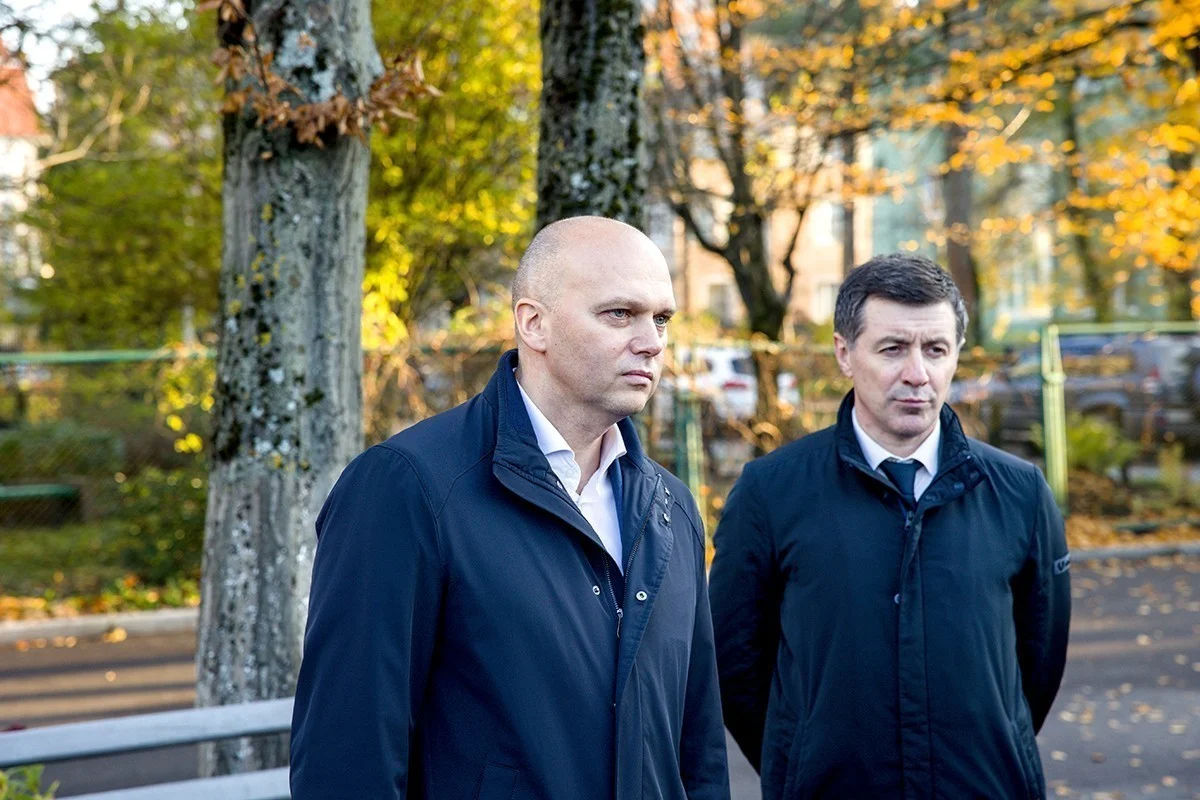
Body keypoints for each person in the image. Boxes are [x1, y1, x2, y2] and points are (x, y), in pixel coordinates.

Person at [290, 216, 730, 799]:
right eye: (620, 314)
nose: (651, 341)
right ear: (533, 323)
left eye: (662, 319)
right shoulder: (407, 487)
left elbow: (697, 752)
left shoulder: (670, 507)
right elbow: (348, 755)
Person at [709, 253, 1071, 799]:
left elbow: (1037, 664)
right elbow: (736, 664)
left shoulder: (1020, 493)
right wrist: (801, 759)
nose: (917, 374)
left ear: (956, 355)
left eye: (935, 350)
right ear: (844, 353)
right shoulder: (771, 492)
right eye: (893, 349)